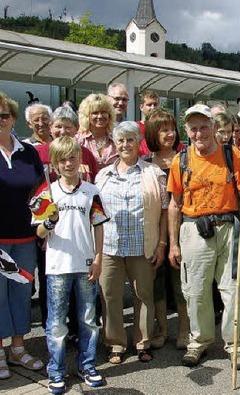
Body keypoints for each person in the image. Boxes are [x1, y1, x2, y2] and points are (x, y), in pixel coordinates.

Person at [167, 106, 240, 368]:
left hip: (228, 228)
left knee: (232, 289)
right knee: (196, 291)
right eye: (193, 128)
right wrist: (172, 243)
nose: (199, 132)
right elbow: (173, 204)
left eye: (204, 126)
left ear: (214, 128)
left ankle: (234, 344)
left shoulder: (232, 154)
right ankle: (199, 341)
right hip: (193, 229)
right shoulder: (180, 160)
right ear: (187, 131)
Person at [36, 137, 108, 394]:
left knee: (88, 319)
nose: (68, 163)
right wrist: (50, 221)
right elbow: (40, 233)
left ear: (80, 160)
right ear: (55, 164)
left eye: (72, 157)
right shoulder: (47, 192)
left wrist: (98, 258)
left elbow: (99, 226)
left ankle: (87, 365)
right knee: (57, 324)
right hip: (57, 267)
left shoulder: (91, 191)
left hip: (86, 264)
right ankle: (56, 370)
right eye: (63, 159)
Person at [95, 121, 167, 364]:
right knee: (110, 296)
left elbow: (166, 211)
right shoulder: (102, 175)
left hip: (142, 246)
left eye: (130, 140)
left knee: (143, 295)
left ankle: (142, 342)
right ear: (115, 144)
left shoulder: (153, 173)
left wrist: (162, 244)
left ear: (138, 143)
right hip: (110, 247)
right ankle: (115, 343)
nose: (125, 145)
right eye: (121, 140)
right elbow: (94, 214)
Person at [33, 105, 99, 333]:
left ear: (75, 129)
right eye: (58, 126)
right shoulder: (39, 152)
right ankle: (53, 331)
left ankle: (78, 333)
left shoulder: (86, 154)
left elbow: (94, 189)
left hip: (81, 232)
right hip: (53, 235)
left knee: (83, 290)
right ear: (51, 128)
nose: (62, 131)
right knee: (53, 285)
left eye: (67, 127)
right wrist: (44, 224)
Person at [0, 92, 45, 380]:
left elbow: (40, 190)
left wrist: (43, 222)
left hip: (25, 239)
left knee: (20, 293)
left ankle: (18, 349)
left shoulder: (28, 152)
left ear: (14, 118)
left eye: (4, 115)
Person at [143, 110, 189, 349]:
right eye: (163, 129)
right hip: (153, 231)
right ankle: (161, 329)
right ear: (153, 133)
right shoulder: (145, 162)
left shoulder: (184, 158)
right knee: (157, 283)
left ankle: (184, 329)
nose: (170, 134)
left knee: (180, 282)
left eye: (172, 128)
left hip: (182, 227)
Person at [76, 94, 118, 170]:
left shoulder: (117, 139)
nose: (100, 116)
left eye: (103, 112)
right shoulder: (78, 140)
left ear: (109, 115)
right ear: (87, 116)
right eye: (95, 113)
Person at [137, 90, 160, 156]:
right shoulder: (136, 127)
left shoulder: (164, 126)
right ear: (141, 107)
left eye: (155, 104)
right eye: (149, 105)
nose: (153, 107)